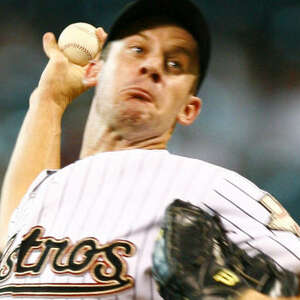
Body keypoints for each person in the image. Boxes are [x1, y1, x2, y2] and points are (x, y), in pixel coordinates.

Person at [0, 0, 299, 299]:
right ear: (94, 70)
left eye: (174, 65)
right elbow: (12, 235)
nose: (153, 66)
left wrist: (242, 297)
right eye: (137, 50)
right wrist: (49, 101)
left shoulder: (208, 186)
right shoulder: (46, 193)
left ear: (188, 109)